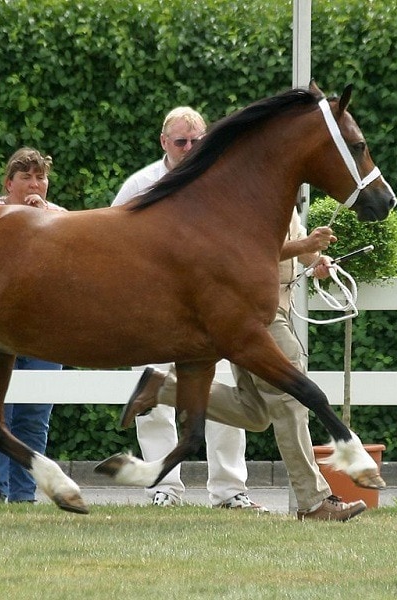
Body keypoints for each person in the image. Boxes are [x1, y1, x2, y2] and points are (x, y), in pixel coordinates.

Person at [121, 208, 369, 521]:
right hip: (260, 313)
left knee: (254, 413)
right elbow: (254, 249)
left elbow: (287, 246)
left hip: (262, 311)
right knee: (291, 401)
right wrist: (306, 244)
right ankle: (314, 501)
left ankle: (166, 388)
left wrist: (314, 259)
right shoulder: (253, 189)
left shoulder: (281, 193)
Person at [112, 107, 267, 511]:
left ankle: (231, 491)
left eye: (196, 140)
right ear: (164, 142)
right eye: (181, 141)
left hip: (211, 314)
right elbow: (109, 241)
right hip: (153, 311)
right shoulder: (141, 184)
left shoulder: (224, 184)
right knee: (153, 404)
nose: (189, 147)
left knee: (222, 401)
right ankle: (165, 487)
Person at [0, 147, 66, 503]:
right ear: (8, 183)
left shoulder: (62, 218)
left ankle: (25, 494)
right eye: (25, 176)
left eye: (40, 177)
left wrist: (46, 223)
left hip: (45, 333)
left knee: (35, 414)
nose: (34, 184)